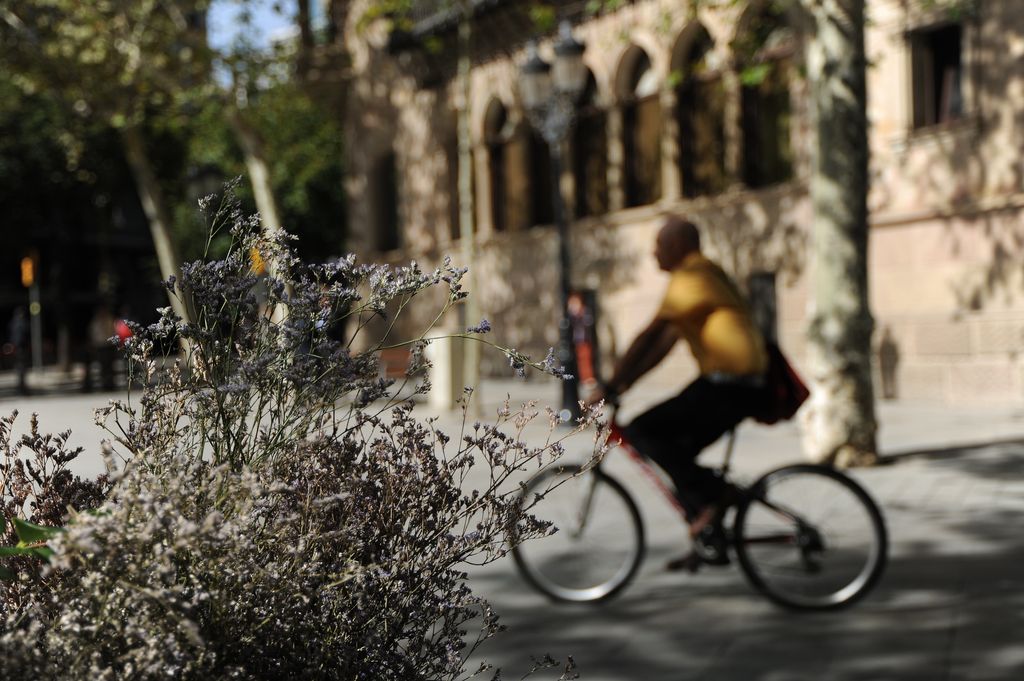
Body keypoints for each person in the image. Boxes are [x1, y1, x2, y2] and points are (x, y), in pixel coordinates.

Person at [586, 216, 768, 569]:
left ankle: (719, 498)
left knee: (642, 432)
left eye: (660, 245)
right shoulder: (704, 273)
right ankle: (707, 536)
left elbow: (650, 336)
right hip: (738, 385)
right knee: (674, 453)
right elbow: (663, 346)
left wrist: (608, 386)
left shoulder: (691, 276)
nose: (654, 252)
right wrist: (623, 384)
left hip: (729, 385)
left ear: (679, 246)